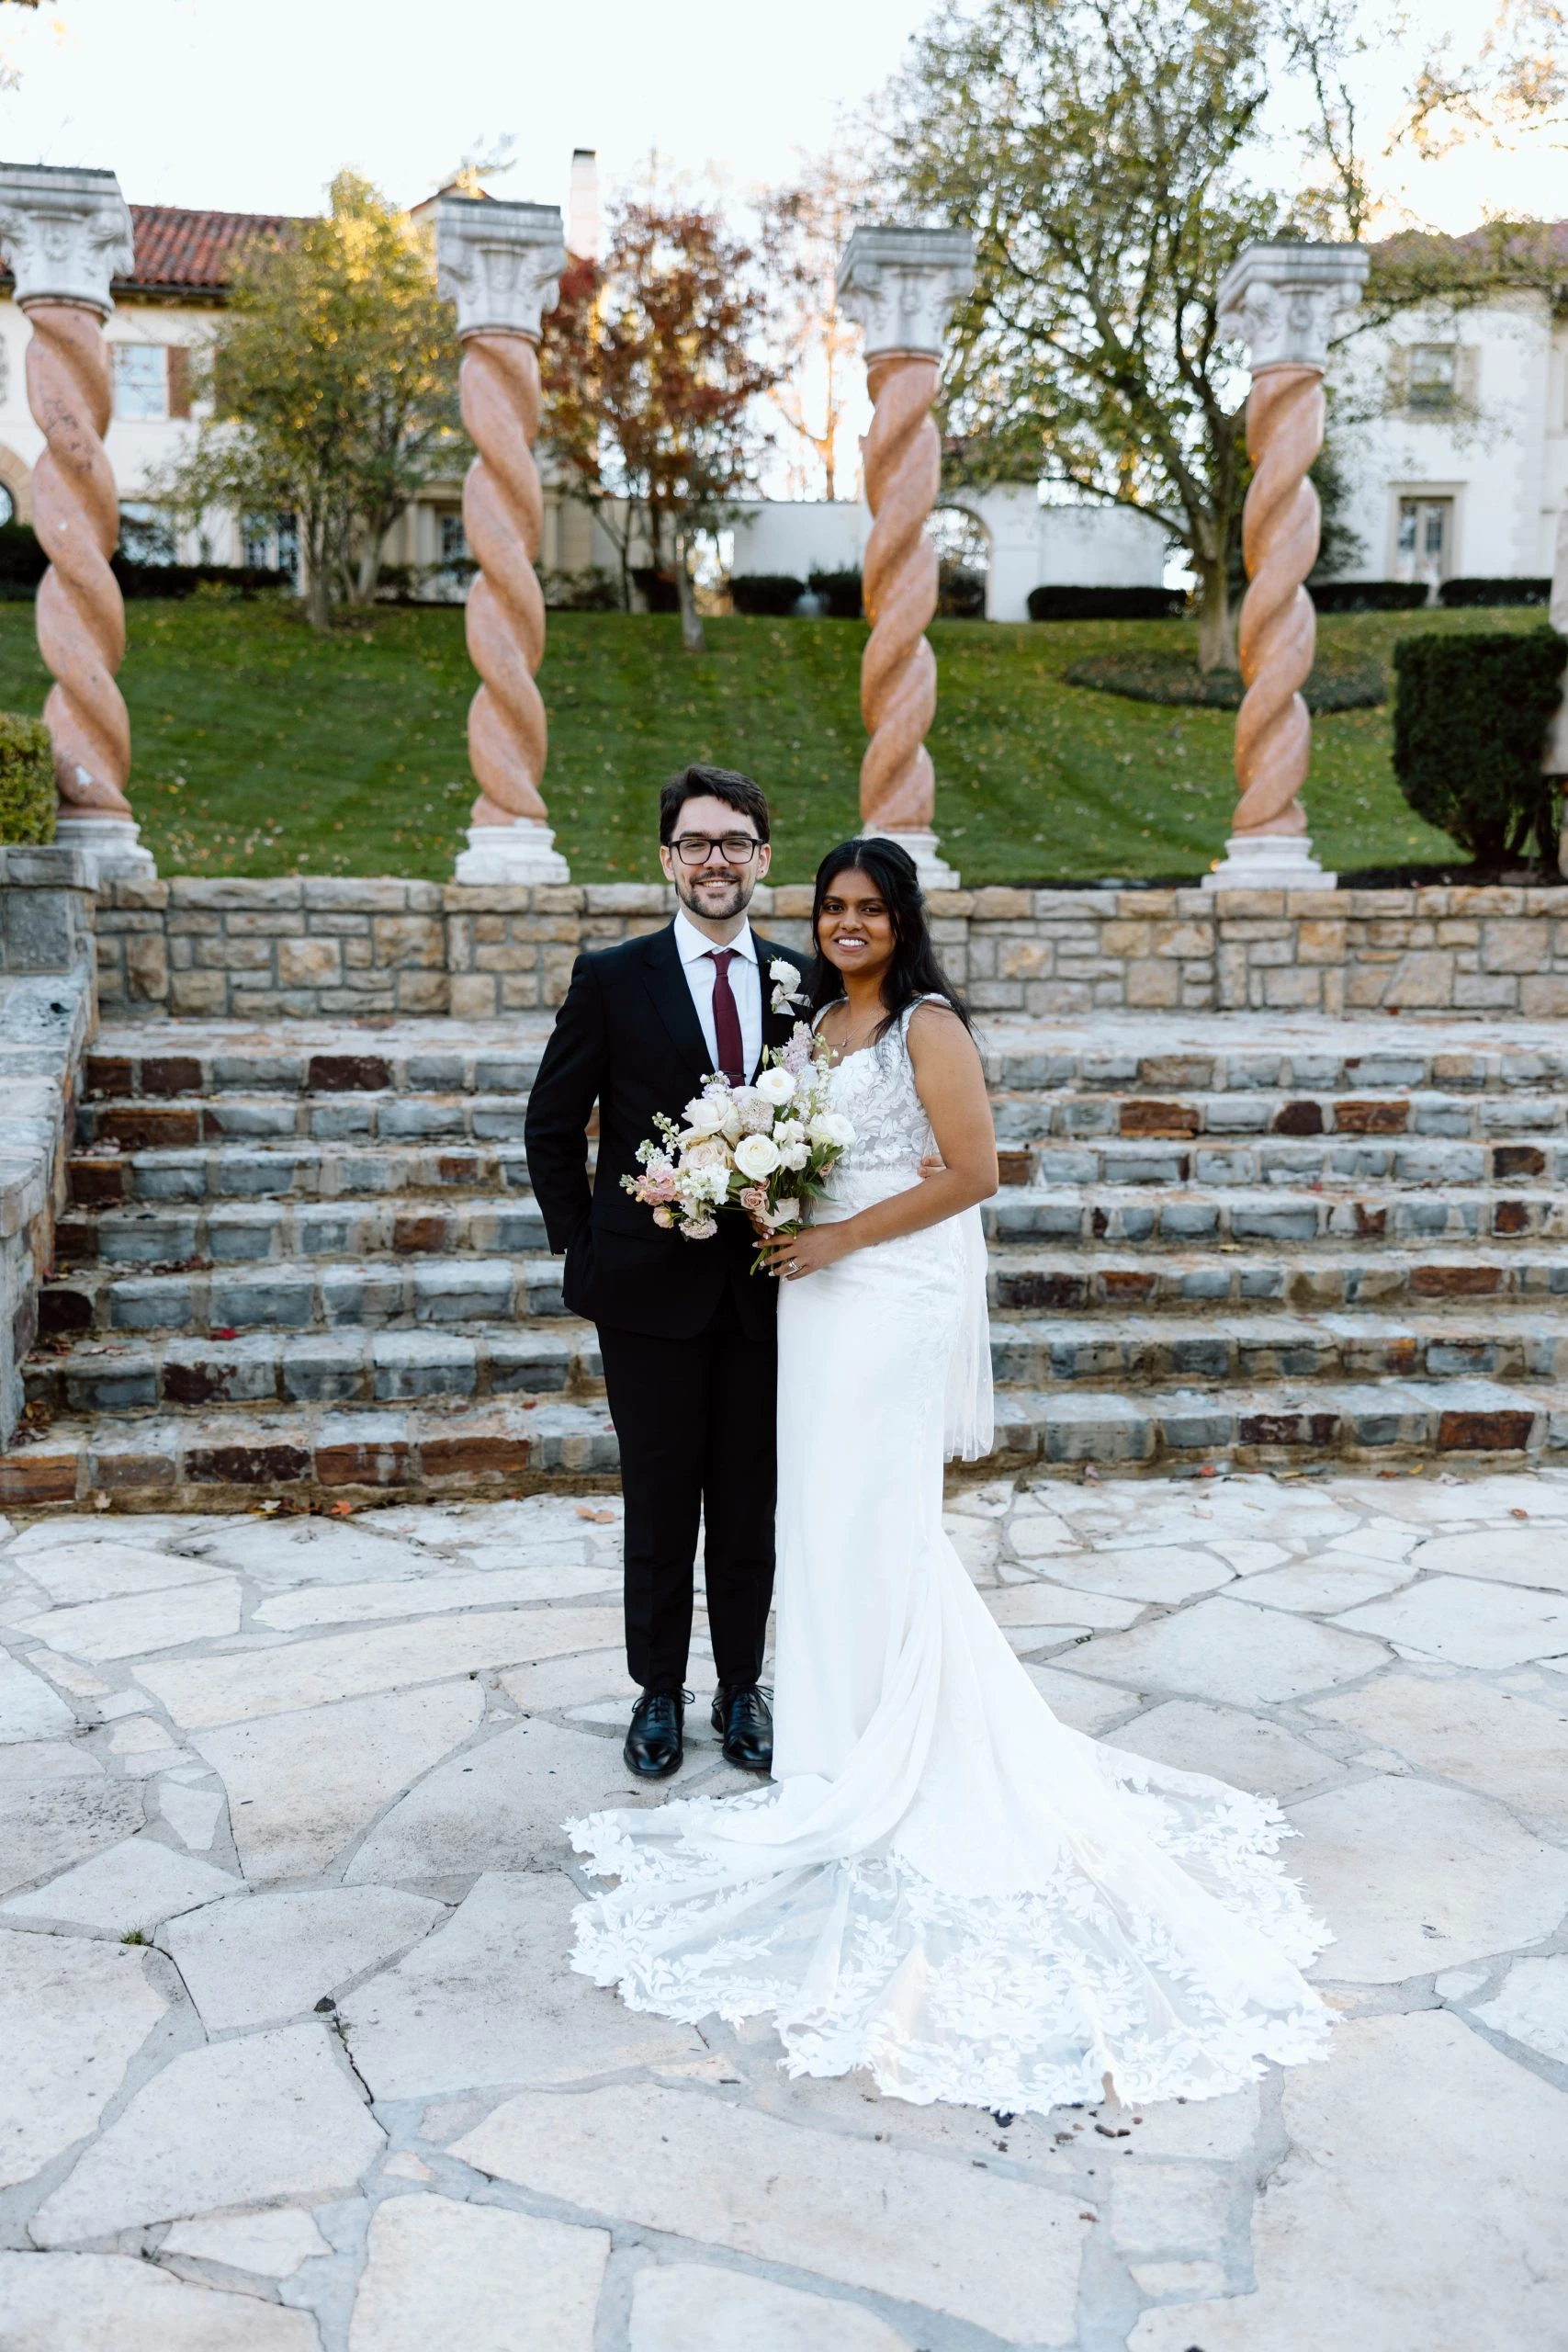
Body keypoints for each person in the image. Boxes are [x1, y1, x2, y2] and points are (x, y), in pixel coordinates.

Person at [564, 835, 1334, 2113]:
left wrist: (836, 1236)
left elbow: (972, 1173)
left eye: (869, 908)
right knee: (815, 1519)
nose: (848, 923)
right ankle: (829, 1737)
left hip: (882, 1293)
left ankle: (897, 1749)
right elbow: (796, 1147)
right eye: (833, 908)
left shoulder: (927, 1024)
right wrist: (751, 1199)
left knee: (872, 1517)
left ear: (902, 918)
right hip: (809, 1294)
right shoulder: (811, 1025)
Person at [525, 765, 811, 1781]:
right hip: (645, 1294)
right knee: (658, 1501)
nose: (716, 860)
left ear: (762, 858)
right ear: (667, 861)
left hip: (772, 1292)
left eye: (735, 841)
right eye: (696, 843)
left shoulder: (800, 982)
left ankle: (743, 1688)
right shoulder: (612, 976)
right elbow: (551, 1124)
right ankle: (658, 1691)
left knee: (749, 1500)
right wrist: (583, 1245)